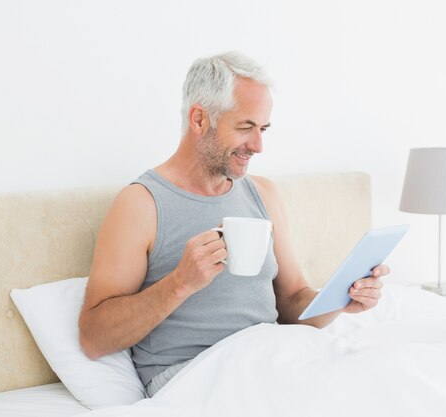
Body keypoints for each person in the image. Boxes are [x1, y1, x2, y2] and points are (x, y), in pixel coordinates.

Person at [78, 51, 389, 397]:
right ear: (199, 119)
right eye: (245, 127)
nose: (258, 145)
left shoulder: (263, 194)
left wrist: (339, 299)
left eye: (263, 129)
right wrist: (180, 283)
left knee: (382, 382)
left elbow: (292, 301)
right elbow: (94, 337)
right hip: (195, 375)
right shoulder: (141, 203)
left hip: (269, 358)